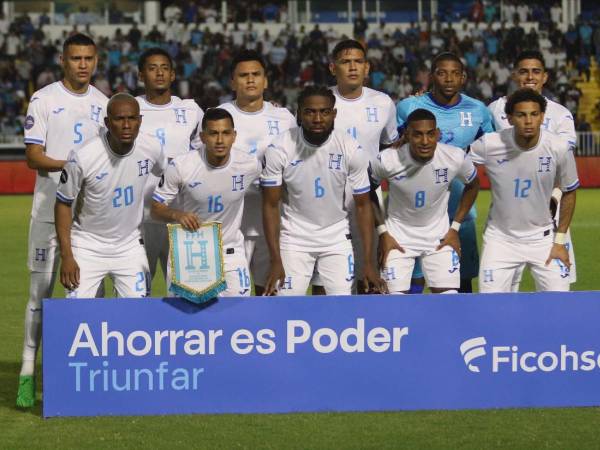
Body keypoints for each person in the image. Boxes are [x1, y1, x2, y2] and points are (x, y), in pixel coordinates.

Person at [17, 33, 108, 408]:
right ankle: (26, 372)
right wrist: (72, 166)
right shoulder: (44, 99)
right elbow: (34, 158)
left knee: (87, 298)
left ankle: (80, 374)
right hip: (46, 214)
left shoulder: (105, 104)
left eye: (88, 58)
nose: (82, 65)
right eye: (75, 58)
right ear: (62, 60)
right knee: (40, 296)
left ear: (96, 61)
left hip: (87, 219)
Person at [261, 86, 386, 296]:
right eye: (310, 112)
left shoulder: (350, 148)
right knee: (286, 306)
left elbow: (364, 206)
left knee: (342, 306)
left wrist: (368, 262)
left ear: (334, 114)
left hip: (336, 237)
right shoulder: (280, 147)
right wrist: (275, 259)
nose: (318, 118)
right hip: (294, 238)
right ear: (299, 114)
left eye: (324, 112)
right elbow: (270, 205)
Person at [396, 52, 494, 294]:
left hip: (460, 207)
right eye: (442, 73)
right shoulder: (410, 106)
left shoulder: (478, 110)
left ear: (464, 77)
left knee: (462, 276)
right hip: (416, 207)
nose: (449, 79)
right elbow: (393, 145)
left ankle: (461, 327)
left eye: (455, 73)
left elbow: (492, 148)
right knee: (413, 277)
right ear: (431, 77)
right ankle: (411, 327)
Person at [55, 93, 165, 299]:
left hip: (130, 247)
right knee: (78, 315)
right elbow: (62, 203)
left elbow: (166, 174)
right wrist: (67, 255)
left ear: (140, 121)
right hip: (87, 246)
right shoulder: (83, 157)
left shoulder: (152, 147)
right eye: (119, 119)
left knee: (138, 315)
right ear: (107, 122)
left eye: (132, 118)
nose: (126, 125)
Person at [470, 89, 579, 292]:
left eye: (534, 114)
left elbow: (570, 191)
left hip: (544, 240)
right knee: (491, 308)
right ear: (510, 118)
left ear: (542, 117)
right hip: (500, 241)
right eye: (521, 115)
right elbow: (455, 163)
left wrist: (560, 240)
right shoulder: (489, 144)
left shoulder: (559, 147)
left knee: (560, 305)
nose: (528, 120)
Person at [151, 108, 261, 297]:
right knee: (187, 321)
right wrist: (177, 215)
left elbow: (273, 192)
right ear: (202, 137)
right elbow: (155, 209)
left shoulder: (249, 165)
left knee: (240, 316)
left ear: (234, 136)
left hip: (231, 252)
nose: (220, 140)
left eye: (226, 133)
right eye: (213, 133)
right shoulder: (181, 166)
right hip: (191, 252)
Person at [371, 109, 480, 293]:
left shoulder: (454, 157)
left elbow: (474, 184)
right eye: (418, 135)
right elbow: (368, 191)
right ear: (407, 135)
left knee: (449, 300)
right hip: (397, 237)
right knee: (392, 305)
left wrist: (455, 228)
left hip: (439, 237)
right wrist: (382, 233)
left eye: (430, 134)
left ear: (437, 134)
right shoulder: (387, 159)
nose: (425, 141)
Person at [324, 39, 399, 294]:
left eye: (358, 61)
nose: (352, 67)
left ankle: (366, 330)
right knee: (326, 278)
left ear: (367, 67)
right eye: (345, 62)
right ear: (333, 68)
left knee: (370, 273)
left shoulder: (383, 103)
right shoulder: (322, 102)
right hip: (327, 198)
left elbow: (391, 147)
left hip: (369, 197)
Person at [219, 50, 296, 295]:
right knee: (231, 301)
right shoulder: (218, 116)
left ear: (265, 80)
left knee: (270, 295)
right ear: (233, 81)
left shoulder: (284, 117)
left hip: (271, 227)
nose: (250, 80)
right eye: (243, 75)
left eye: (256, 74)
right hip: (229, 228)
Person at [136, 47, 204, 284]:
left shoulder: (191, 110)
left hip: (180, 216)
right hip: (139, 217)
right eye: (152, 68)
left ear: (173, 75)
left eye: (165, 68)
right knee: (135, 294)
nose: (160, 73)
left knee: (183, 290)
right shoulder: (130, 110)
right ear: (141, 75)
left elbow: (203, 156)